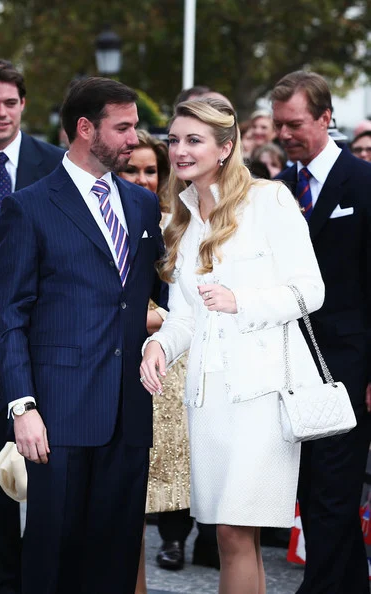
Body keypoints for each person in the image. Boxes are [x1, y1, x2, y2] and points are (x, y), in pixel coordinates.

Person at [140, 98, 325, 594]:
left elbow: (311, 290)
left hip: (261, 395)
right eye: (175, 139)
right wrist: (157, 347)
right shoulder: (180, 216)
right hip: (207, 398)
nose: (179, 150)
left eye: (193, 140)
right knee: (229, 537)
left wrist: (239, 300)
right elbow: (183, 316)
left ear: (225, 147)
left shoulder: (269, 201)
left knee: (233, 530)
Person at [0, 77, 167, 594]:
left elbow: (162, 292)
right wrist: (23, 408)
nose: (135, 138)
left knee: (116, 556)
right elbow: (9, 316)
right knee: (53, 556)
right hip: (59, 413)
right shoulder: (30, 206)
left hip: (129, 410)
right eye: (124, 127)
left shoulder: (141, 205)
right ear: (86, 129)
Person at [272, 70, 371, 594]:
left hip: (350, 366)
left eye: (296, 124)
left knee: (334, 491)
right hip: (291, 367)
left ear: (326, 118)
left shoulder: (364, 182)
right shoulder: (276, 190)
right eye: (279, 125)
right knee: (311, 493)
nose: (285, 135)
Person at [0, 58, 63, 594]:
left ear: (24, 104)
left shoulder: (55, 165)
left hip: (46, 348)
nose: (1, 112)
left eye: (10, 102)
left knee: (52, 486)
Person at [119, 131, 218, 593]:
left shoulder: (175, 225)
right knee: (123, 509)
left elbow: (187, 306)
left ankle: (176, 541)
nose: (141, 179)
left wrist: (149, 319)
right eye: (130, 169)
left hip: (168, 368)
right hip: (114, 368)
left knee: (161, 489)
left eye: (150, 171)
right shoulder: (103, 217)